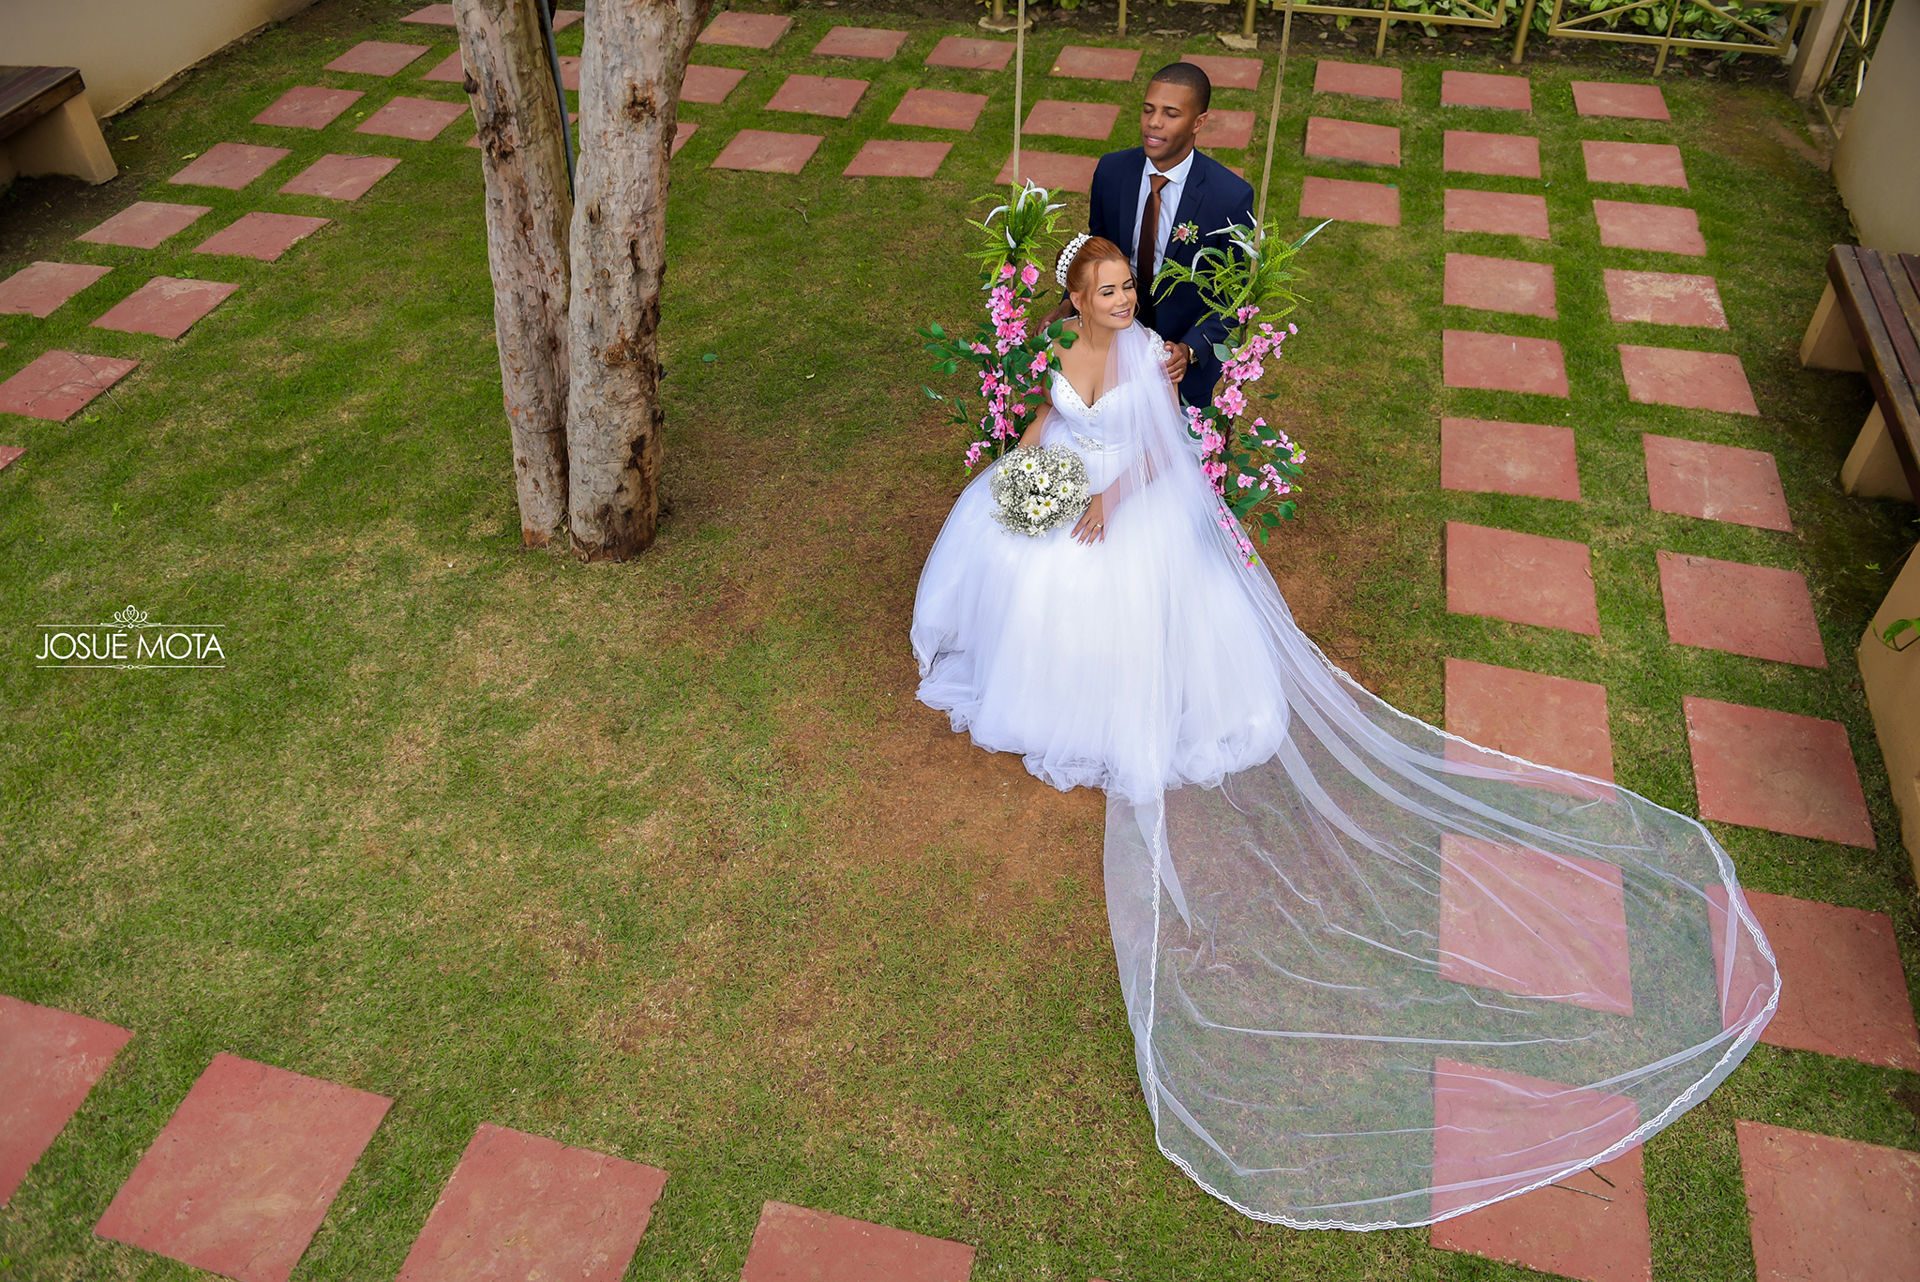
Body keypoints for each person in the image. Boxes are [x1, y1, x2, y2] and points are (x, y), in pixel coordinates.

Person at [910, 234, 1782, 1231]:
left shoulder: (1151, 353)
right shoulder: (1066, 354)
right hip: (1073, 473)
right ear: (1073, 299)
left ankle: (1097, 672)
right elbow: (1041, 427)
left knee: (1091, 582)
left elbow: (1160, 450)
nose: (1119, 300)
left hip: (1131, 496)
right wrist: (1021, 477)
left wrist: (1104, 501)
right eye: (1103, 290)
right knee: (1006, 543)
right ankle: (1026, 639)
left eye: (1125, 287)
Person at [1087, 61, 1254, 408]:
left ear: (1199, 122)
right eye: (1148, 109)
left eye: (1170, 114)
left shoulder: (1230, 197)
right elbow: (1096, 251)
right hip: (1110, 341)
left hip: (1179, 365)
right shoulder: (1111, 171)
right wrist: (1066, 304)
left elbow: (1232, 295)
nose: (1154, 122)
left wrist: (1191, 348)